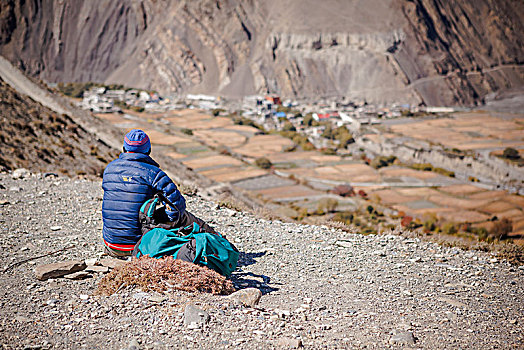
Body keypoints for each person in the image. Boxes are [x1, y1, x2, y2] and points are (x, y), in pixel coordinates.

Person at [102, 129, 218, 258]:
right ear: (148, 150)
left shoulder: (109, 169)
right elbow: (177, 207)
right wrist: (166, 222)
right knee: (184, 216)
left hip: (111, 246)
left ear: (124, 148)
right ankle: (216, 243)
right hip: (140, 247)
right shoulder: (154, 173)